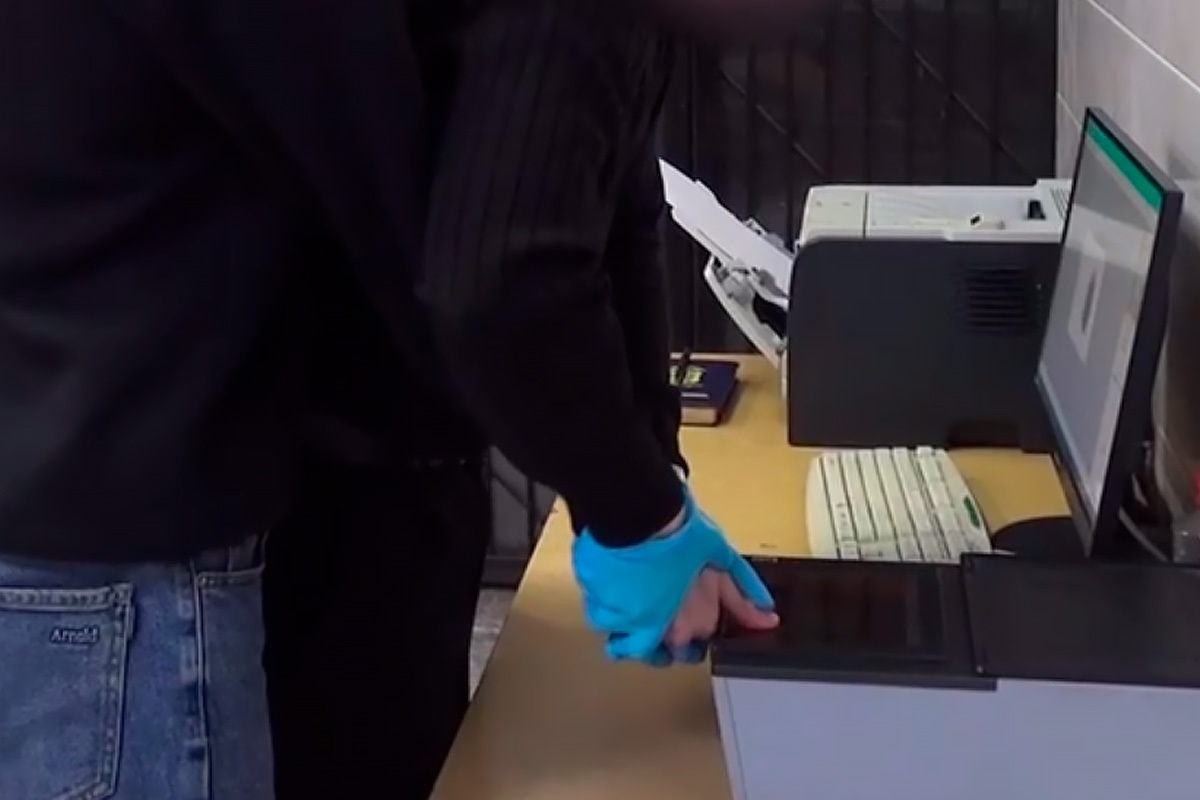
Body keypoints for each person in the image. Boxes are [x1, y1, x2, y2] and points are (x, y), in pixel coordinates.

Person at [264, 0, 806, 797]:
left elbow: (621, 220)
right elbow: (507, 289)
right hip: (314, 475)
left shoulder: (635, 28)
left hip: (411, 469)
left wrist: (656, 482)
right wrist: (640, 516)